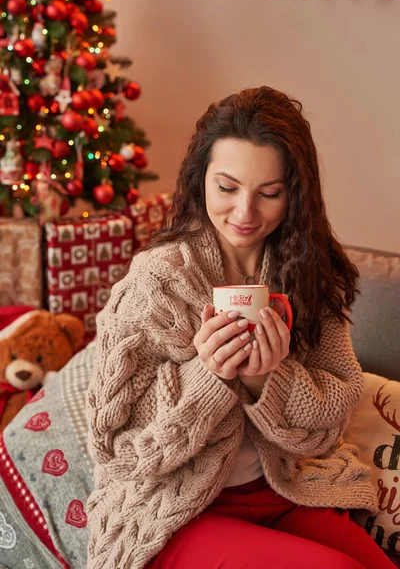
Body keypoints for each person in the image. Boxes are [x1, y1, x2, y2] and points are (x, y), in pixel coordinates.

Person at [86, 86, 394, 569]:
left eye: (269, 193)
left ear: (294, 194)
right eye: (227, 188)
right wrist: (209, 377)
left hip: (285, 493)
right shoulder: (157, 280)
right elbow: (115, 444)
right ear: (199, 181)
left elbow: (333, 414)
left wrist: (267, 380)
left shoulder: (310, 275)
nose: (245, 214)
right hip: (178, 511)